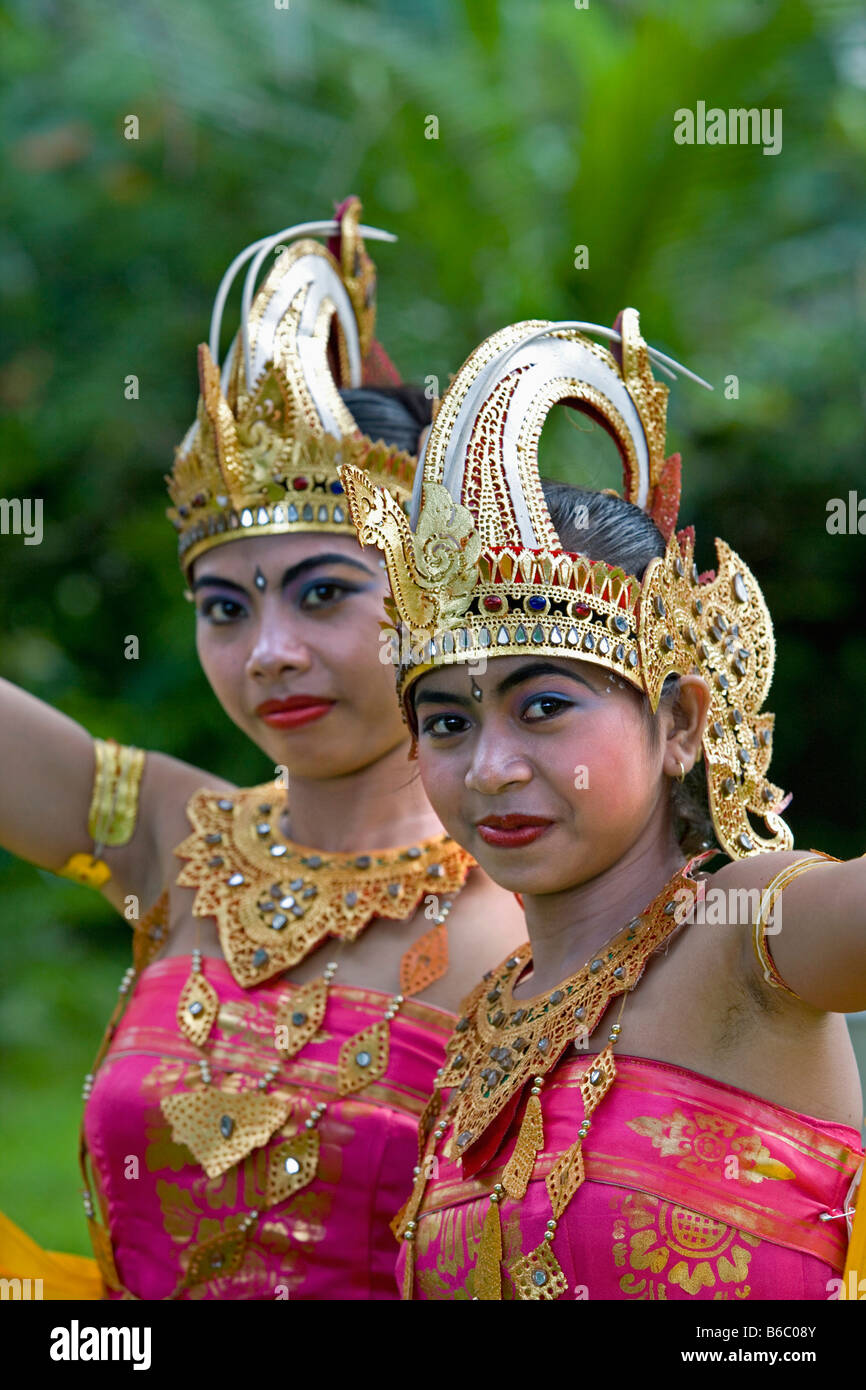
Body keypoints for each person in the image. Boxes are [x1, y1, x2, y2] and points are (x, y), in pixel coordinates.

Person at [0, 200, 525, 1300]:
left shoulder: (543, 922)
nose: (269, 652)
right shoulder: (170, 843)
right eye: (223, 606)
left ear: (436, 595)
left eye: (323, 594)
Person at [339, 311, 866, 1300]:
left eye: (542, 707)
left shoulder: (745, 931)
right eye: (447, 723)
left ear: (677, 724)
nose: (490, 765)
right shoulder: (481, 1026)